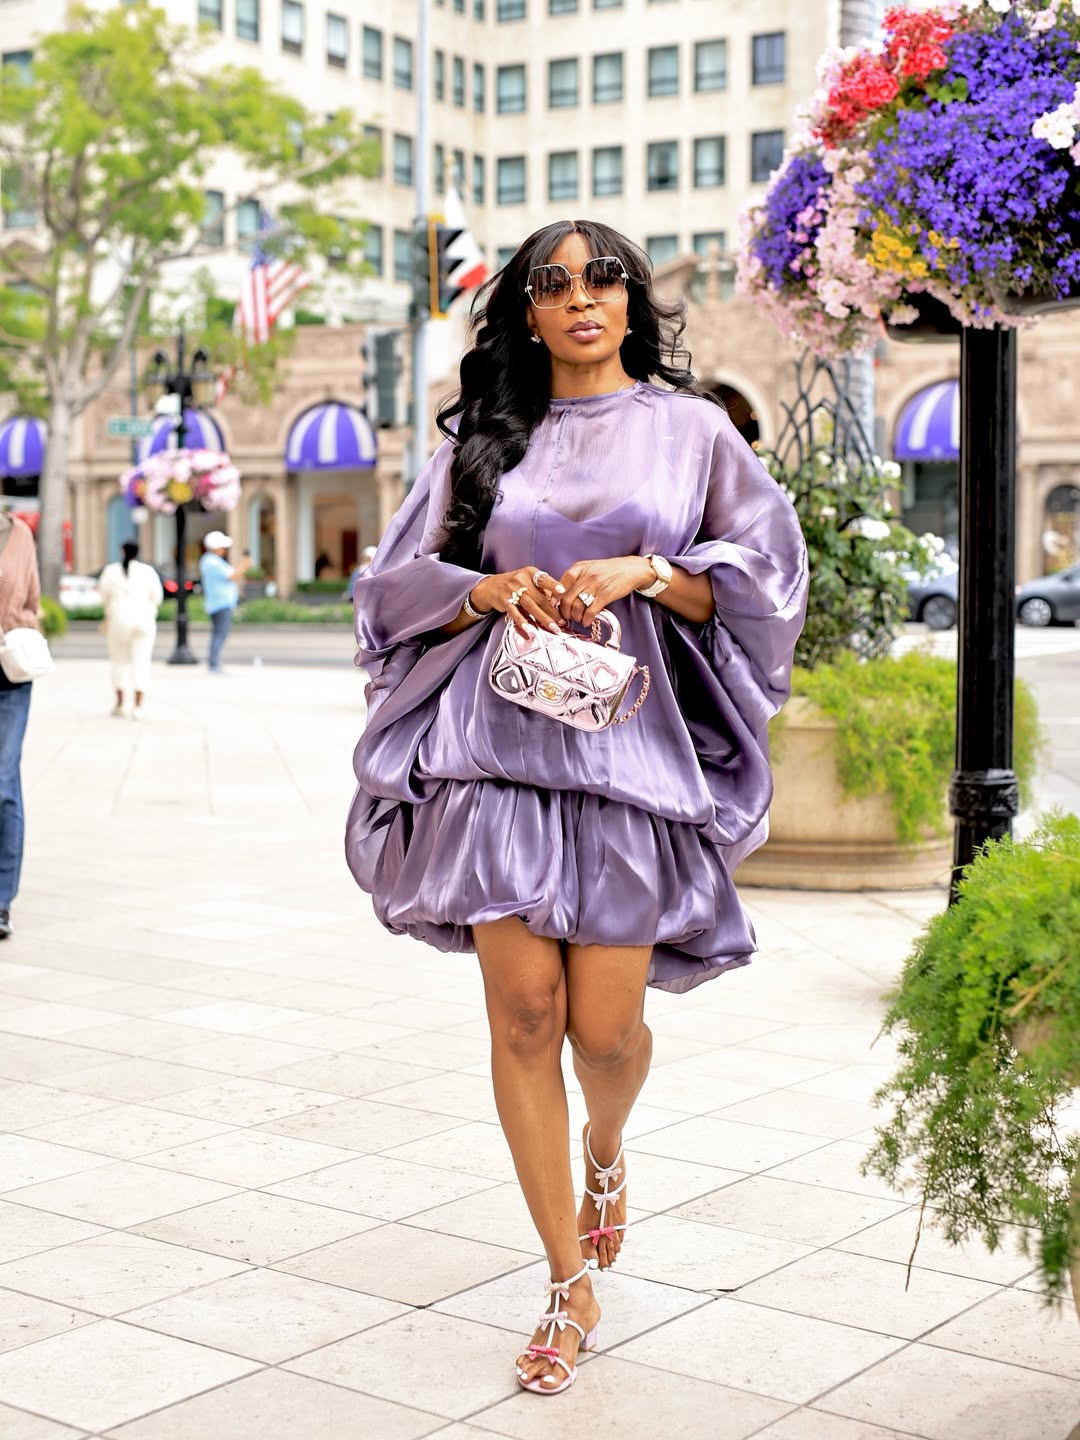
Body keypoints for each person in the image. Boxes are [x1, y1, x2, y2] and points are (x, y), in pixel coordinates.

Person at [346, 221, 808, 1397]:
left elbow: (764, 582)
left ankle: (606, 1147)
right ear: (529, 313)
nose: (580, 299)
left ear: (631, 299)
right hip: (497, 752)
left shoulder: (691, 430)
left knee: (604, 1031)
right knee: (521, 1016)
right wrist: (482, 588)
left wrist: (647, 571)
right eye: (553, 286)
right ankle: (564, 1282)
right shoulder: (485, 443)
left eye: (602, 278)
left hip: (630, 761)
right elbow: (393, 584)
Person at [0, 511, 42, 940]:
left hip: (9, 676)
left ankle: (1, 900)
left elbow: (33, 600)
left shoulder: (19, 534)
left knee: (3, 782)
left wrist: (15, 624)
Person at [98, 541, 163, 719]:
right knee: (142, 662)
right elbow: (157, 597)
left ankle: (120, 704)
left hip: (118, 620)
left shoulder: (110, 571)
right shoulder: (148, 572)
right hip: (144, 620)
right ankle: (138, 706)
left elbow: (104, 596)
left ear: (121, 551)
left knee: (118, 661)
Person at [199, 530, 239, 673]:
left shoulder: (211, 561)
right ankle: (214, 663)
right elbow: (232, 576)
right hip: (220, 603)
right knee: (220, 634)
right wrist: (245, 564)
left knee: (219, 633)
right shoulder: (211, 562)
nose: (224, 550)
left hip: (220, 603)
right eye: (222, 547)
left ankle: (214, 662)